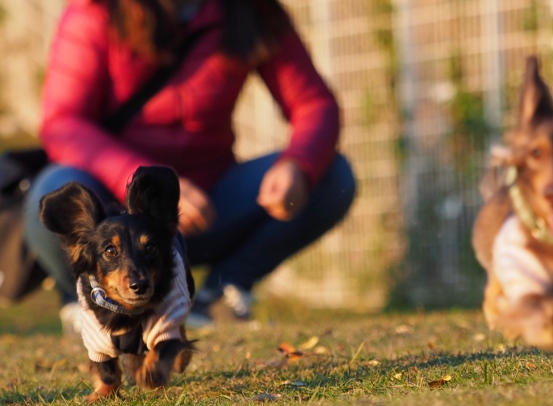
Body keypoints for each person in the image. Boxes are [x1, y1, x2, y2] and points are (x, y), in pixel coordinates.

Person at [24, 0, 356, 331]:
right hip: (114, 211)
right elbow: (63, 123)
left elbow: (314, 103)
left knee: (331, 175)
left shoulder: (252, 10)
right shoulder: (98, 11)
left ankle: (222, 291)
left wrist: (298, 164)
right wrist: (151, 188)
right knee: (54, 190)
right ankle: (92, 299)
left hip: (210, 207)